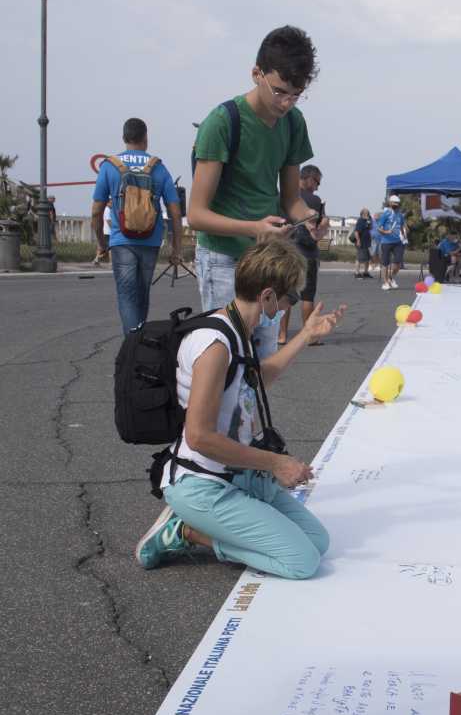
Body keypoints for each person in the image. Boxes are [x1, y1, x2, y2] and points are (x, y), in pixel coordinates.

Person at [135, 239, 345, 576]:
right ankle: (185, 531)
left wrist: (305, 335)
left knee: (317, 542)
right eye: (289, 297)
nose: (290, 303)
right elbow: (200, 436)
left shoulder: (237, 329)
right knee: (301, 561)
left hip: (238, 477)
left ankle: (207, 525)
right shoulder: (215, 345)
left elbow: (256, 378)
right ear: (266, 297)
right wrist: (277, 463)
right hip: (202, 484)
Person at [189, 25, 319, 357]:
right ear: (256, 73)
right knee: (226, 364)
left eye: (296, 94)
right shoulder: (222, 122)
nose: (287, 103)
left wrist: (309, 218)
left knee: (259, 369)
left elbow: (291, 200)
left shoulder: (293, 123)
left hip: (267, 264)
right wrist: (255, 228)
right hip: (223, 260)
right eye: (279, 91)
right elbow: (197, 215)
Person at [91, 118, 183, 335]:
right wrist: (176, 248)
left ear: (124, 138)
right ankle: (139, 345)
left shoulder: (110, 167)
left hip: (121, 241)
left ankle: (132, 347)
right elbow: (175, 212)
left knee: (126, 295)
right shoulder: (158, 167)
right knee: (142, 294)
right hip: (150, 240)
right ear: (145, 138)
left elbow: (96, 211)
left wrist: (101, 243)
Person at [278, 166, 330, 344]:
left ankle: (282, 334)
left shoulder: (283, 197)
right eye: (317, 182)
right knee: (307, 296)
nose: (317, 187)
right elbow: (321, 227)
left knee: (284, 294)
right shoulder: (314, 200)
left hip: (286, 250)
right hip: (307, 252)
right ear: (309, 178)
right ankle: (310, 337)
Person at [375, 195, 407, 290]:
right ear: (390, 203)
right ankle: (385, 283)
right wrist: (386, 232)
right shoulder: (385, 214)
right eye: (394, 203)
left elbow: (401, 226)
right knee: (385, 263)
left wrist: (403, 234)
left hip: (398, 242)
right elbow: (379, 228)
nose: (396, 205)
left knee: (398, 263)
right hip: (386, 241)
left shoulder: (400, 214)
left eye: (397, 203)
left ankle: (390, 278)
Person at [353, 207, 373, 278]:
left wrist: (369, 222)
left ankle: (366, 272)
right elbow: (356, 232)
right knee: (359, 258)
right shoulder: (360, 221)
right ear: (362, 214)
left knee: (367, 258)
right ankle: (356, 272)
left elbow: (370, 228)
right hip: (361, 242)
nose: (367, 214)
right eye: (366, 213)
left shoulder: (368, 220)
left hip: (367, 243)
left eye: (368, 213)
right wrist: (358, 241)